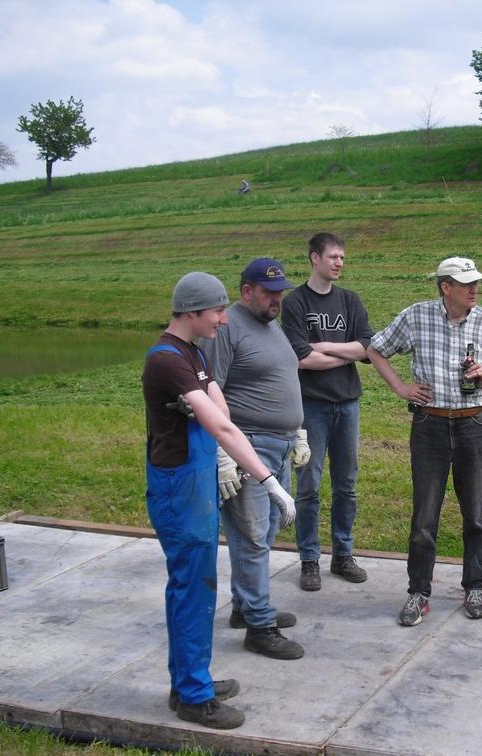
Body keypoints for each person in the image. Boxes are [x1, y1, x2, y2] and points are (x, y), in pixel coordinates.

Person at [142, 271, 297, 729]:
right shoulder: (167, 360)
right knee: (194, 590)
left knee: (195, 587)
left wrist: (205, 403)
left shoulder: (191, 353)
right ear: (192, 311)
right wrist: (269, 481)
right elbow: (224, 427)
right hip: (179, 487)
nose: (223, 321)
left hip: (195, 483)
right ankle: (194, 696)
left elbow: (220, 407)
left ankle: (189, 681)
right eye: (215, 312)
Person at [367, 256, 482, 626]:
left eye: (476, 282)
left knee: (475, 514)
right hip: (430, 426)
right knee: (424, 516)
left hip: (473, 425)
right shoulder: (416, 316)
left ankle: (474, 586)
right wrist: (401, 387)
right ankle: (419, 593)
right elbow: (375, 348)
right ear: (446, 287)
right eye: (467, 284)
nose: (475, 289)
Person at [198, 258, 305, 661]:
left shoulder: (269, 323)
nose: (277, 299)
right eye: (268, 292)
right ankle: (260, 626)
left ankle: (245, 606)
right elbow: (210, 391)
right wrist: (224, 453)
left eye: (280, 292)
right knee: (253, 535)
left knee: (268, 528)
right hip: (249, 447)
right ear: (246, 290)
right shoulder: (227, 328)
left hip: (278, 445)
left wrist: (297, 430)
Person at [281, 233, 374, 591]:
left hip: (347, 404)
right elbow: (301, 358)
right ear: (314, 258)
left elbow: (367, 347)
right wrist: (343, 352)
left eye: (342, 257)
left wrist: (326, 346)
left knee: (346, 485)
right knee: (309, 484)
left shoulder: (350, 301)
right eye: (333, 256)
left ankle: (342, 555)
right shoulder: (296, 303)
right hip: (311, 408)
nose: (339, 262)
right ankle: (309, 559)